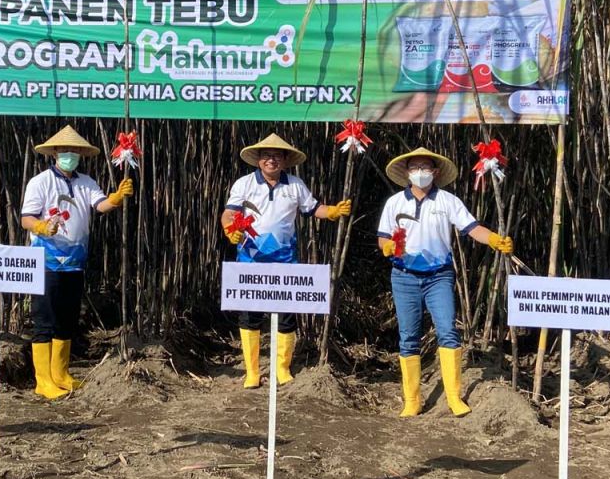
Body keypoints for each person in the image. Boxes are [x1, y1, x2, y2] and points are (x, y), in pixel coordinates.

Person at [376, 147, 514, 417]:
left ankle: (453, 397)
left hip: (439, 275)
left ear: (435, 172)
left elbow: (472, 228)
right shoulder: (394, 203)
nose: (420, 172)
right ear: (406, 172)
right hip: (403, 276)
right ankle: (412, 400)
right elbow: (383, 236)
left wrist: (495, 239)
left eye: (425, 167)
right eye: (414, 167)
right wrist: (387, 246)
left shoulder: (448, 201)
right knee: (408, 337)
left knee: (448, 330)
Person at [220, 133, 351, 388]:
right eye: (267, 156)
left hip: (285, 262)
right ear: (259, 160)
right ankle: (253, 372)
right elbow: (229, 214)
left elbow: (314, 209)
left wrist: (333, 211)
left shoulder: (295, 185)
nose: (272, 160)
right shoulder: (244, 184)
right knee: (249, 316)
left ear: (285, 160)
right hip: (250, 261)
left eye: (277, 156)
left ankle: (282, 368)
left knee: (286, 316)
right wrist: (229, 229)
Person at [20, 126, 133, 399]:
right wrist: (42, 227)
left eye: (74, 151)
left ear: (81, 154)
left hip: (74, 263)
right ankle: (43, 380)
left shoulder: (86, 182)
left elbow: (101, 205)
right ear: (55, 153)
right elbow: (26, 218)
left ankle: (61, 374)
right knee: (44, 318)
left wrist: (116, 198)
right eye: (64, 151)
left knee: (67, 318)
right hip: (45, 262)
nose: (69, 155)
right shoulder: (40, 181)